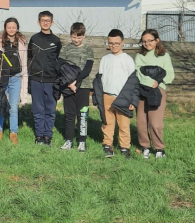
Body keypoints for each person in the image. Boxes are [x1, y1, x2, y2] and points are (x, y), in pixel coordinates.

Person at [96, 29, 137, 158]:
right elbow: (99, 79)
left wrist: (133, 101)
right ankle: (107, 145)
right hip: (107, 95)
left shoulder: (128, 60)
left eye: (116, 43)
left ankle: (124, 147)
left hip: (123, 97)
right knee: (107, 122)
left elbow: (134, 82)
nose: (113, 46)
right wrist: (98, 97)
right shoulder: (105, 59)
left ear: (122, 43)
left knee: (123, 124)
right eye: (110, 43)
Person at [135, 29, 173, 159]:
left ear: (157, 40)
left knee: (155, 122)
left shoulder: (164, 56)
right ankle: (144, 146)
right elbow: (138, 72)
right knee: (141, 121)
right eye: (144, 41)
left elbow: (170, 74)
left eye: (149, 41)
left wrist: (157, 82)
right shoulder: (140, 56)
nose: (146, 44)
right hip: (143, 90)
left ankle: (158, 148)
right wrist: (148, 81)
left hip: (158, 90)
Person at [57, 22, 94, 152]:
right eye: (74, 37)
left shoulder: (88, 50)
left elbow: (87, 70)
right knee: (69, 114)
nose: (76, 40)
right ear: (70, 35)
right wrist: (68, 83)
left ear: (83, 36)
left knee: (82, 114)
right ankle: (68, 139)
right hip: (67, 87)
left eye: (79, 37)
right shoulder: (65, 49)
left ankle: (82, 141)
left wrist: (75, 83)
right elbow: (60, 66)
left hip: (83, 87)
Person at [28, 10, 61, 146]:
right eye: (43, 20)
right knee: (37, 109)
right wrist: (31, 74)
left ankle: (47, 136)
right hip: (36, 79)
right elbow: (29, 57)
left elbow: (57, 60)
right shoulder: (34, 39)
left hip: (51, 80)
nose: (45, 23)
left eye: (48, 21)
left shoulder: (56, 41)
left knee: (50, 110)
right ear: (38, 22)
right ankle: (39, 136)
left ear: (52, 22)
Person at [0, 18, 29, 145]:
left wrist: (24, 94)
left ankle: (13, 132)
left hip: (15, 77)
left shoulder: (21, 43)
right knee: (0, 105)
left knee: (13, 107)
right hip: (2, 77)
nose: (11, 29)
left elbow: (24, 64)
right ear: (5, 28)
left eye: (13, 27)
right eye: (9, 27)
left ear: (17, 28)